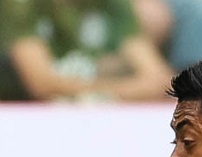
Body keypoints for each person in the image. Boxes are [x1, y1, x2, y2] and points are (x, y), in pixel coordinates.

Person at [0, 0, 173, 102]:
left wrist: (89, 91)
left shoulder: (113, 5)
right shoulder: (20, 6)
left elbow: (159, 80)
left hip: (102, 119)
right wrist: (126, 88)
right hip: (33, 122)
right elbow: (42, 85)